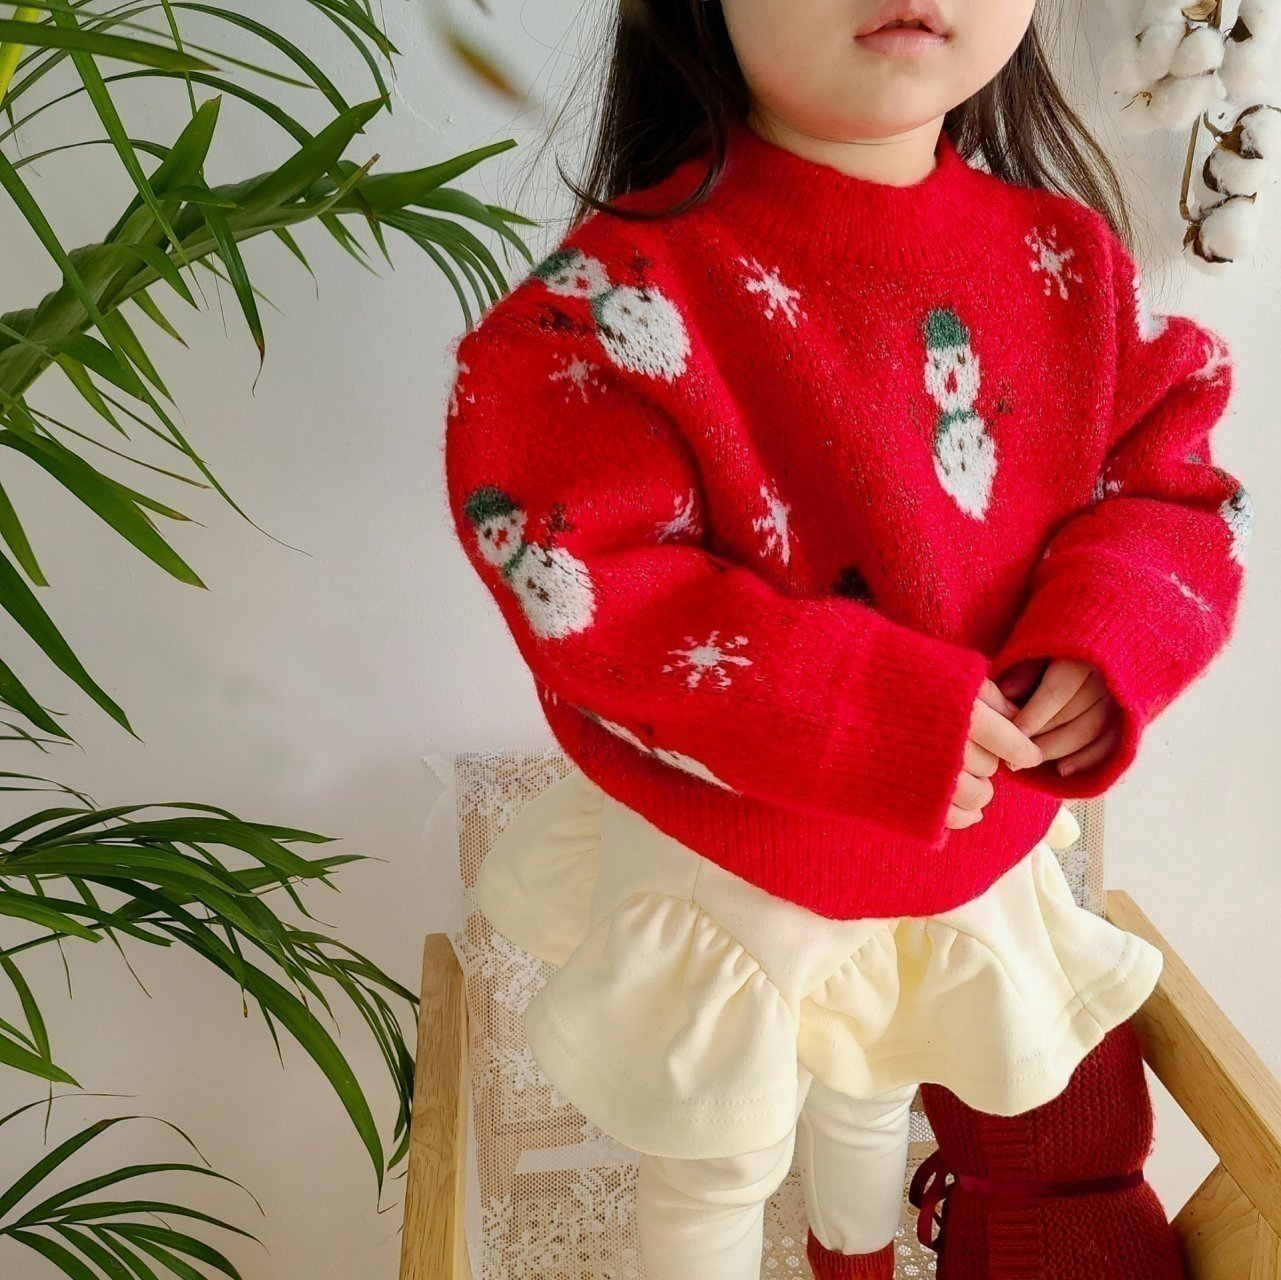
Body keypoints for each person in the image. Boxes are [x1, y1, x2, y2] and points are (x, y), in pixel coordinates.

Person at [441, 0, 1252, 1275]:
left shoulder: (1072, 262)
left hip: (966, 835)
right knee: (717, 1155)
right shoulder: (620, 295)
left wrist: (1109, 641)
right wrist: (862, 707)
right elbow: (572, 560)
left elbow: (1173, 485)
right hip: (735, 844)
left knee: (880, 1071)